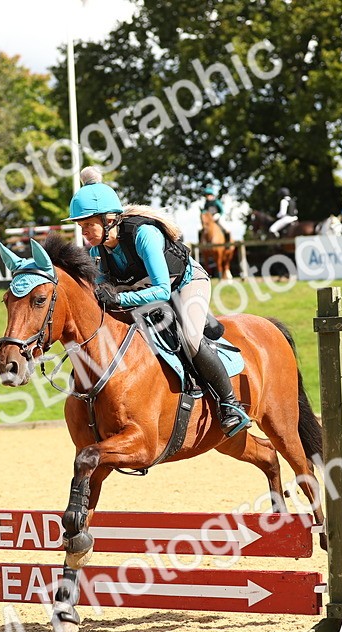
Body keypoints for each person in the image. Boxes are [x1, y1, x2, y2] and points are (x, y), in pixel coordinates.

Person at [63, 169, 250, 438]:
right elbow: (106, 293)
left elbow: (162, 291)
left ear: (109, 220)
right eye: (81, 227)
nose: (84, 234)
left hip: (184, 284)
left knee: (191, 337)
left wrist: (119, 298)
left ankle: (230, 405)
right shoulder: (96, 250)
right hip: (144, 291)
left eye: (89, 225)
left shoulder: (144, 234)